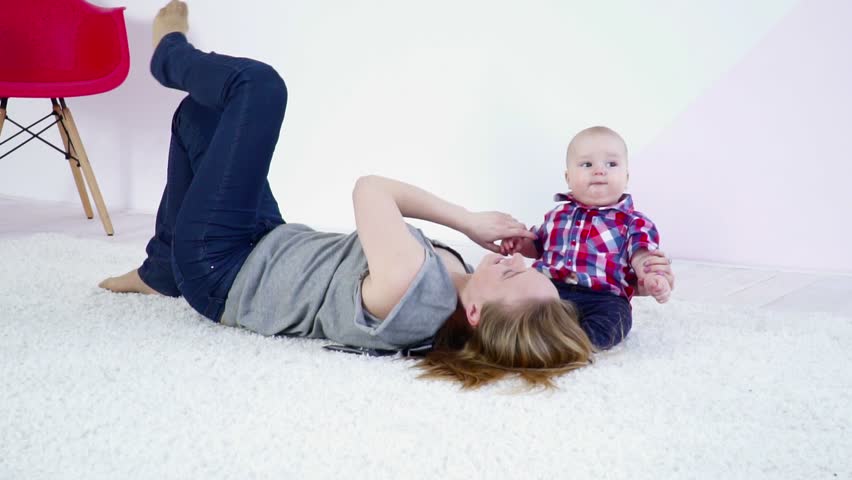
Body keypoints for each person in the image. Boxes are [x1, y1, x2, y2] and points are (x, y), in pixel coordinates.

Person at [100, 1, 674, 388]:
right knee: (198, 120)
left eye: (510, 274)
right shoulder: (459, 301)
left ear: (473, 315)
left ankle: (167, 56)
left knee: (258, 87)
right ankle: (160, 269)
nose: (512, 260)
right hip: (266, 242)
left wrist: (469, 221)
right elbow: (588, 314)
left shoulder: (412, 288)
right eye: (533, 269)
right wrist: (635, 279)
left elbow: (371, 189)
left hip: (223, 267)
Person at [501, 126, 673, 350]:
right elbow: (538, 246)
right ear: (568, 177)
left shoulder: (634, 222)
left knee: (616, 319)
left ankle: (575, 343)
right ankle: (530, 333)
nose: (599, 171)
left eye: (611, 164)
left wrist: (651, 276)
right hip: (549, 288)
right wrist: (520, 243)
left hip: (602, 297)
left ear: (627, 177)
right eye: (587, 164)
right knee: (515, 300)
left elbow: (643, 256)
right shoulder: (557, 215)